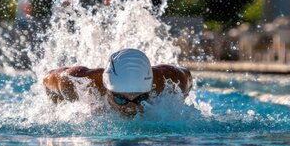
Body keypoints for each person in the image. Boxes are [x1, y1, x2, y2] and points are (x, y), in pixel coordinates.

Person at [43, 48, 192, 117]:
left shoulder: (169, 81)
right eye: (121, 99)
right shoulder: (77, 82)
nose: (131, 107)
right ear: (106, 88)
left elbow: (187, 77)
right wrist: (57, 110)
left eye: (140, 98)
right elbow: (46, 80)